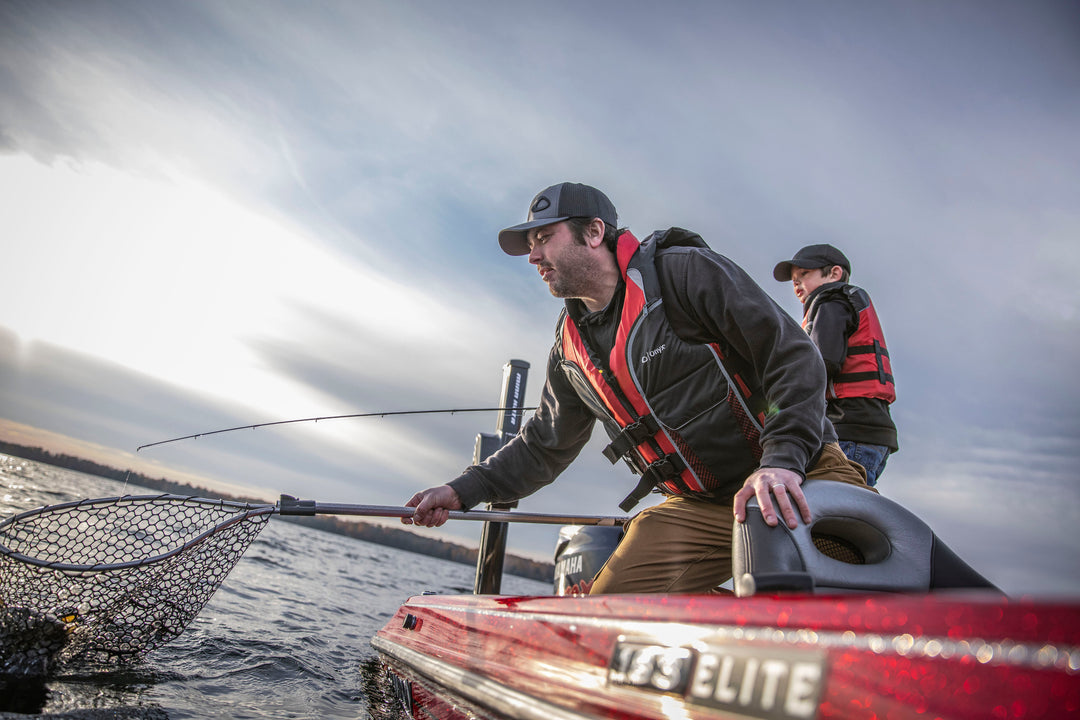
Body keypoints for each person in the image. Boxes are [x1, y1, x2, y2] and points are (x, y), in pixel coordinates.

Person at [404, 182, 869, 594]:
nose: (534, 256)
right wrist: (461, 490)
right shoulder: (568, 353)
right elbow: (545, 444)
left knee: (832, 594)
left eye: (544, 238)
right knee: (612, 611)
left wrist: (782, 462)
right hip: (701, 506)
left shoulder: (686, 274)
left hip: (799, 475)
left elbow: (791, 355)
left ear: (593, 233)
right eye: (530, 244)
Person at [773, 244, 898, 486]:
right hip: (872, 432)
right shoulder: (842, 302)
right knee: (842, 511)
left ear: (834, 274)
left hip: (849, 430)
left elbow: (822, 361)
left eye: (804, 275)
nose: (796, 284)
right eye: (793, 280)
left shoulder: (832, 300)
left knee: (831, 513)